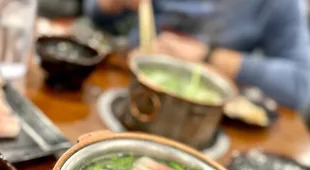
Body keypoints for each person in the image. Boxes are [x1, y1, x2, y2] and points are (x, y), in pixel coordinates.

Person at [85, 0, 310, 109]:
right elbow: (95, 14)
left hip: (205, 111)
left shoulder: (278, 4)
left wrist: (209, 55)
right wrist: (111, 4)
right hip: (124, 84)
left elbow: (302, 84)